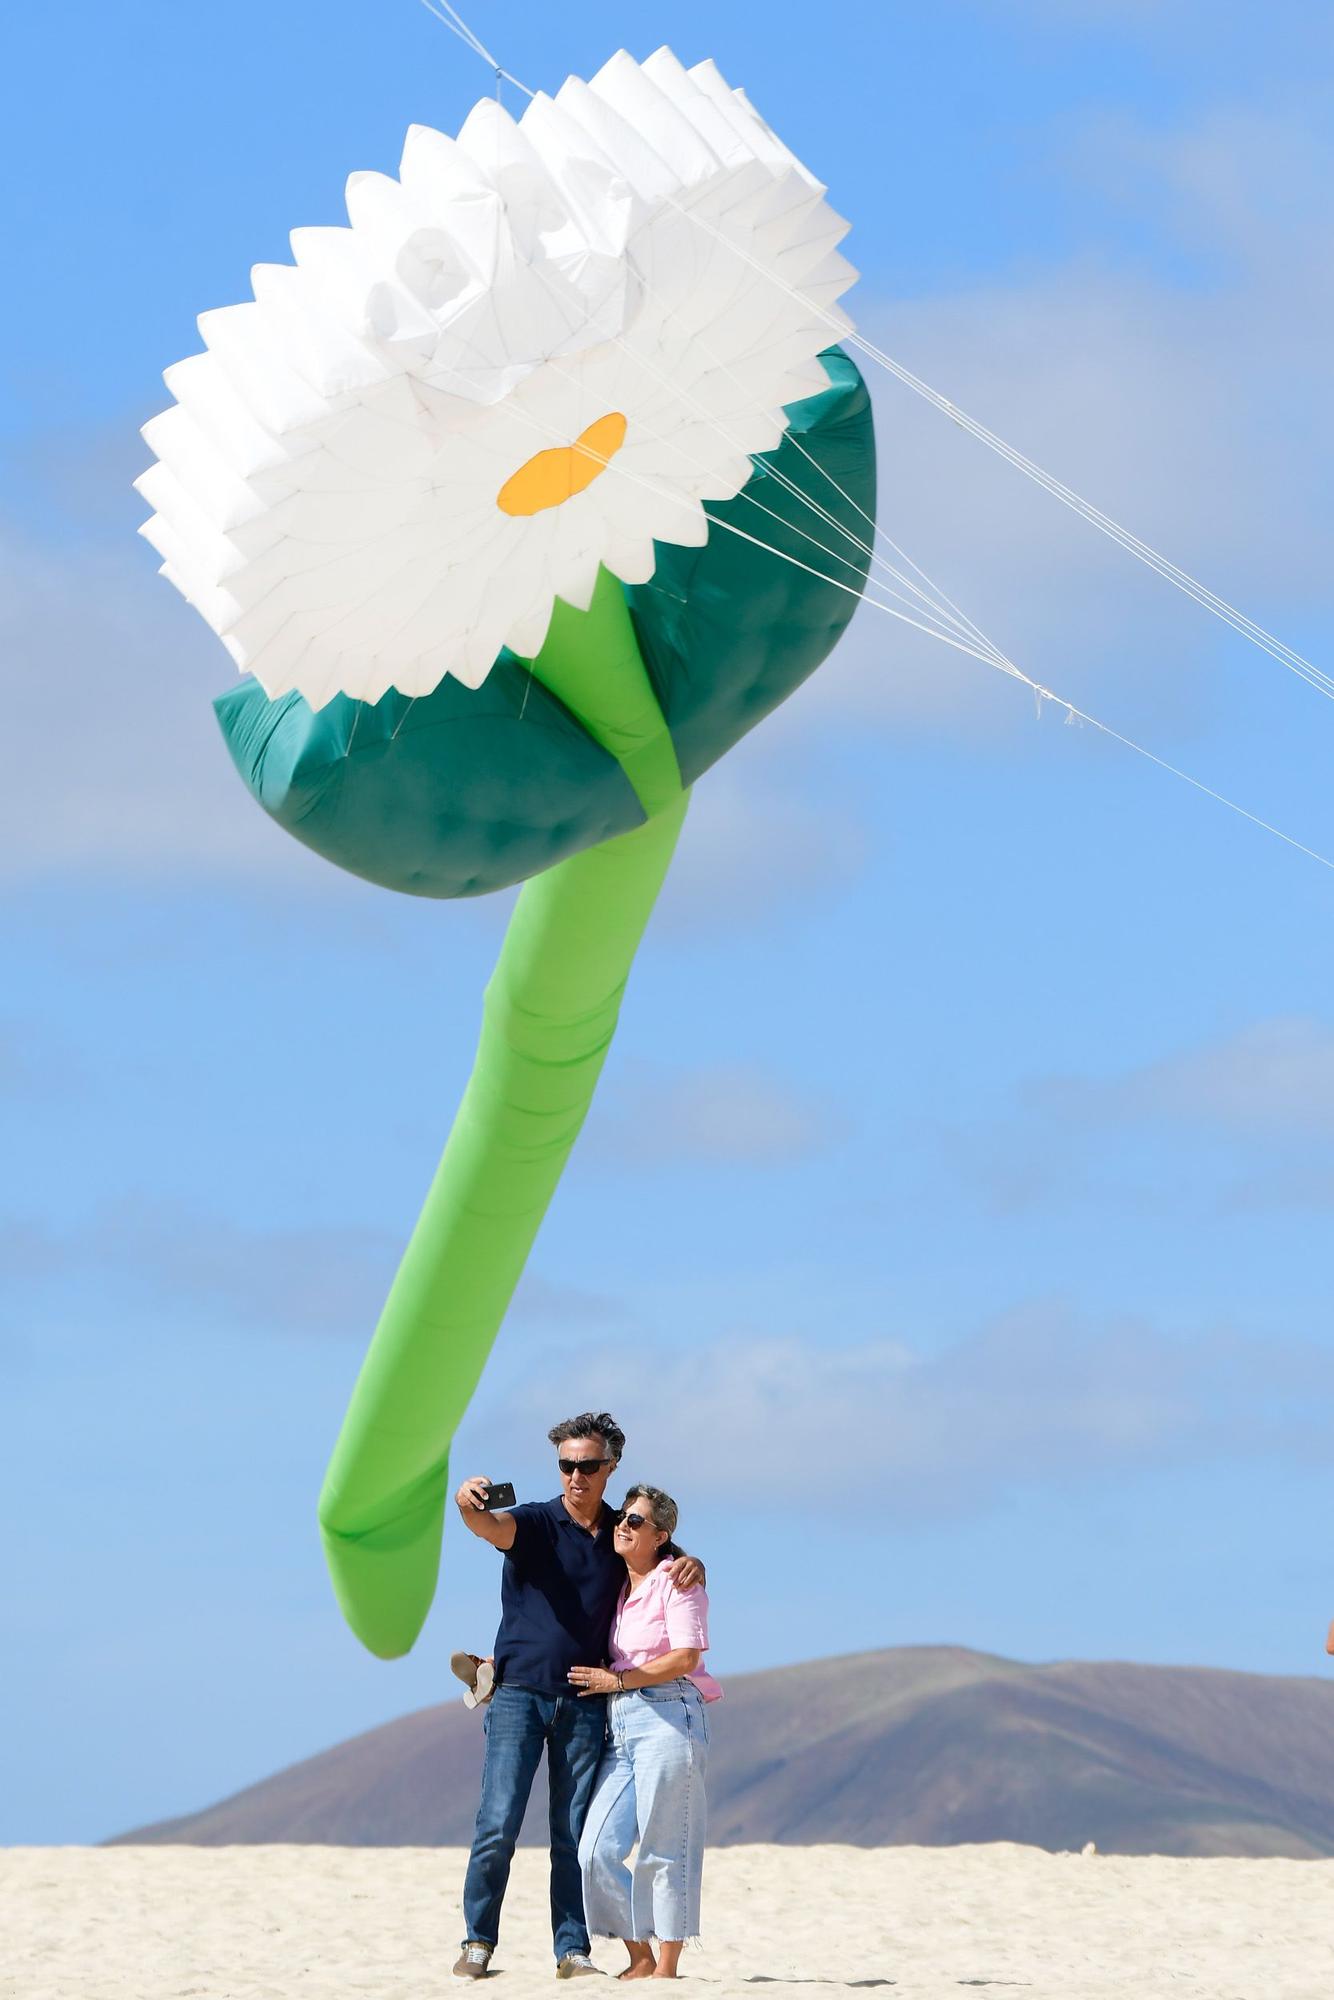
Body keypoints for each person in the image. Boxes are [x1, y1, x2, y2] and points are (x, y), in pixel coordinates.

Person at [452, 1415, 705, 1982]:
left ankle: (572, 1951)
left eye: (588, 1466)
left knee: (571, 1835)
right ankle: (477, 1941)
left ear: (610, 1468)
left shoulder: (623, 1531)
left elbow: (666, 1561)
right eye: (567, 1465)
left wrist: (696, 1562)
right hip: (519, 1695)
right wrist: (466, 1500)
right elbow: (486, 1526)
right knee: (498, 1824)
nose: (576, 1476)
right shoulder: (537, 1522)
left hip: (587, 1702)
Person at [569, 1486, 722, 1981]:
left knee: (665, 1845)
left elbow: (686, 1656)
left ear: (661, 1536)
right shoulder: (617, 1585)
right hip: (619, 1722)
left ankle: (667, 1968)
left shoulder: (676, 1581)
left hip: (669, 1713)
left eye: (636, 1521)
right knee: (595, 1849)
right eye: (622, 1517)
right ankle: (639, 1954)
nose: (623, 1526)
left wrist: (618, 1680)